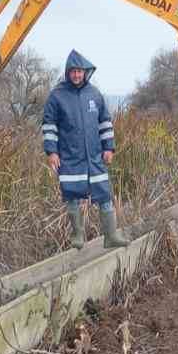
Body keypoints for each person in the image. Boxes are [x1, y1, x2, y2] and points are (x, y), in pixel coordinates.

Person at [42, 48, 127, 249]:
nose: (77, 75)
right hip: (70, 157)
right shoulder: (57, 95)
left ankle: (111, 236)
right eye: (73, 71)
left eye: (80, 71)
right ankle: (77, 236)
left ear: (85, 72)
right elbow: (49, 126)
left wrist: (109, 148)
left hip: (95, 157)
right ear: (67, 72)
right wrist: (52, 152)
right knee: (72, 194)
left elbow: (105, 123)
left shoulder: (94, 94)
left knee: (105, 194)